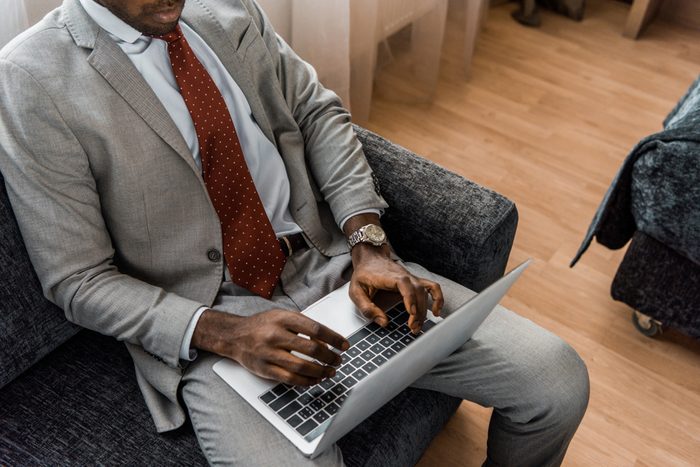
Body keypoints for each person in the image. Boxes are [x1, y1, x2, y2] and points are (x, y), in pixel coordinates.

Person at [0, 0, 589, 465]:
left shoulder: (227, 9)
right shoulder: (30, 79)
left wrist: (369, 242)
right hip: (213, 319)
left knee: (556, 382)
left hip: (330, 262)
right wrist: (228, 334)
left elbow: (316, 112)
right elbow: (76, 278)